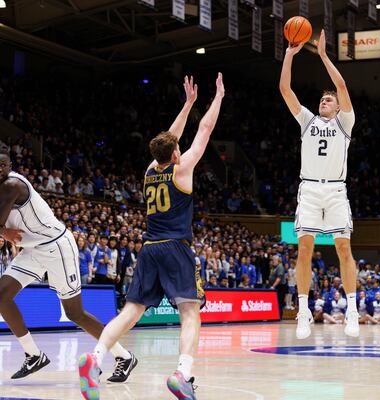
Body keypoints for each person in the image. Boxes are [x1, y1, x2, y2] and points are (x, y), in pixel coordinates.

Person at [78, 74, 224, 400]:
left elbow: (171, 137)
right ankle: (182, 374)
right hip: (175, 247)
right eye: (177, 148)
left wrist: (187, 104)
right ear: (175, 154)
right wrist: (218, 97)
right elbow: (205, 131)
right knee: (190, 312)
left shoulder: (149, 170)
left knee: (130, 311)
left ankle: (95, 358)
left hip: (149, 248)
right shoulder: (182, 169)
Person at [0, 148, 134, 381]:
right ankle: (34, 355)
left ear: (10, 165)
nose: (0, 170)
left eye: (3, 165)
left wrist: (3, 231)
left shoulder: (12, 185)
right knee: (1, 295)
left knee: (75, 313)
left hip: (56, 246)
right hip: (33, 248)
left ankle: (123, 356)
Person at [279, 29, 359, 339]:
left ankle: (352, 309)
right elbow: (285, 88)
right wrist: (290, 54)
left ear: (338, 107)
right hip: (310, 189)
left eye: (329, 100)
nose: (325, 101)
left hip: (336, 190)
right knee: (304, 249)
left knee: (343, 248)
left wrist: (324, 55)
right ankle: (302, 310)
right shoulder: (307, 121)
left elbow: (340, 84)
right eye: (322, 99)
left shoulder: (345, 122)